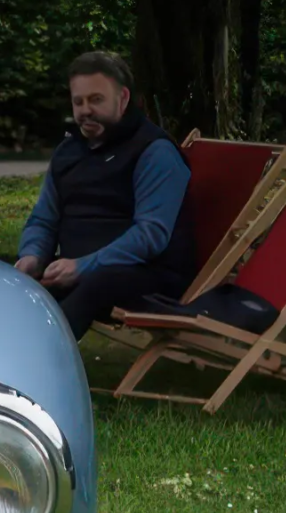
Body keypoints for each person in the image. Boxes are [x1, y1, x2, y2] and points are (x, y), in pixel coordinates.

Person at [15, 52, 195, 340]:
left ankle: (38, 359)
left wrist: (83, 266)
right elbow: (44, 219)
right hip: (74, 269)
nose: (85, 110)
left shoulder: (155, 151)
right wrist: (32, 256)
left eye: (96, 100)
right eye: (78, 102)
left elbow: (151, 236)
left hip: (148, 276)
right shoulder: (67, 152)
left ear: (123, 98)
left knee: (98, 283)